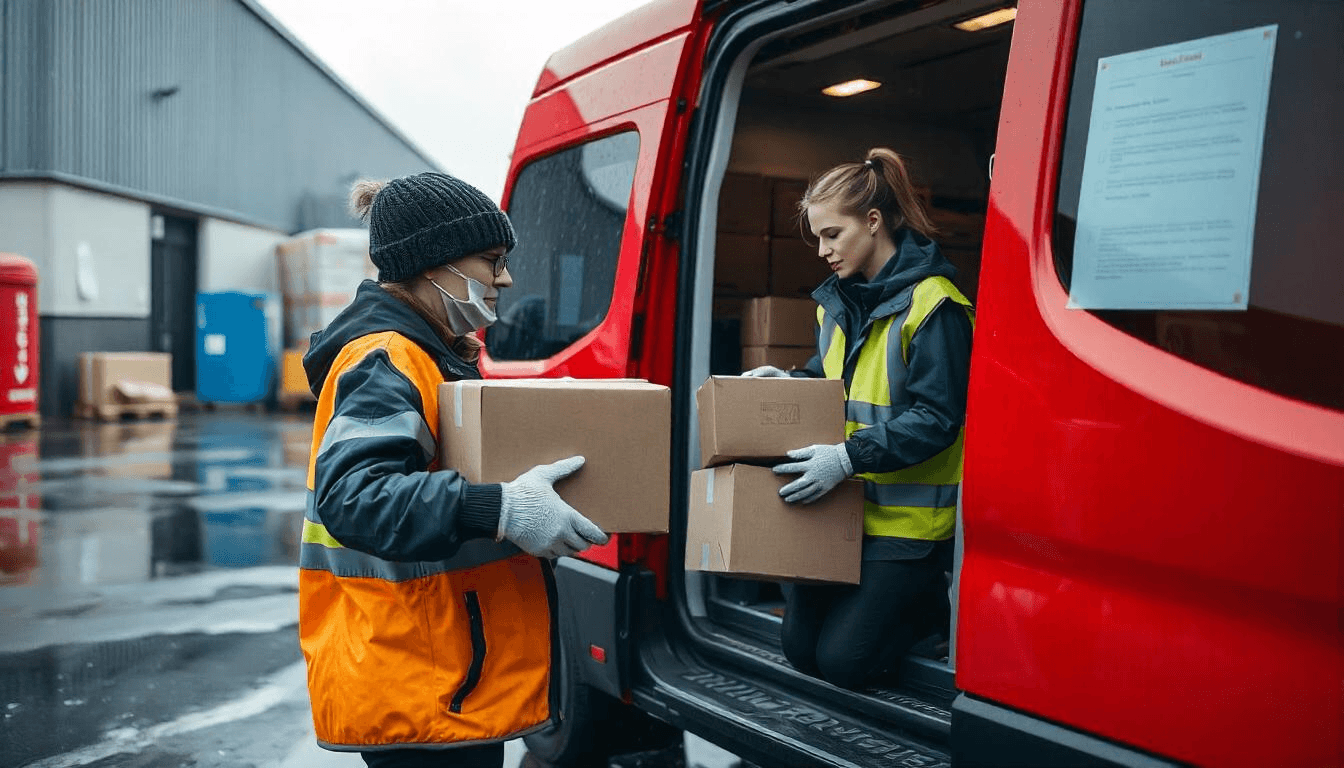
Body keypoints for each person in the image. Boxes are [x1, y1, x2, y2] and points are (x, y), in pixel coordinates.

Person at [299, 172, 609, 768]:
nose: (506, 279)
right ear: (435, 262)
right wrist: (502, 508)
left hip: (438, 673)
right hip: (420, 678)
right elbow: (355, 497)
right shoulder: (388, 357)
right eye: (493, 261)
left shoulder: (431, 355)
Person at [745, 148, 974, 690]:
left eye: (832, 234)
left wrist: (850, 456)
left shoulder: (936, 306)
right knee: (801, 650)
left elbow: (939, 418)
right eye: (818, 238)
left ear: (873, 222)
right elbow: (833, 385)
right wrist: (791, 382)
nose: (822, 251)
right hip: (845, 514)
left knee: (845, 662)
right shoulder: (836, 305)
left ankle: (925, 615)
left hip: (906, 530)